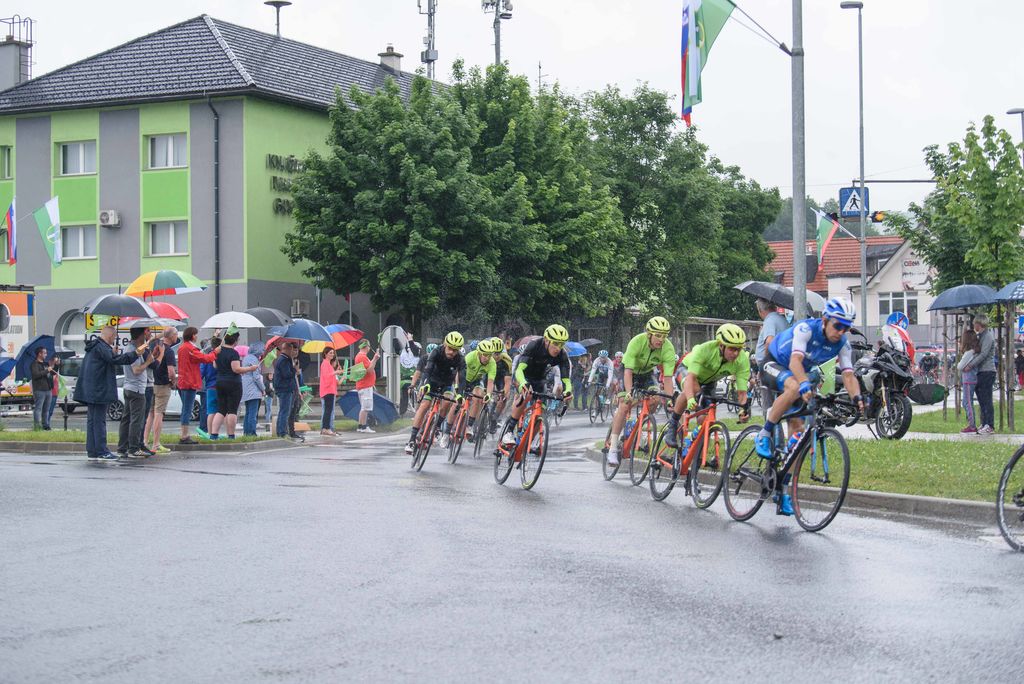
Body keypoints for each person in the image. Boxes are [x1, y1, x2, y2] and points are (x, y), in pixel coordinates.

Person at [757, 297, 865, 515]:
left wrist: (858, 399)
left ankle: (783, 489)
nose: (841, 332)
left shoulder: (842, 343)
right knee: (795, 387)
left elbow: (848, 375)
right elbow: (795, 361)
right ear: (825, 320)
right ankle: (764, 433)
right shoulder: (806, 329)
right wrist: (805, 383)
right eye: (837, 325)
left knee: (798, 435)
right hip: (775, 363)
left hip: (798, 373)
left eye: (846, 328)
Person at [663, 324, 751, 449]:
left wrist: (743, 410)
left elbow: (742, 392)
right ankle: (673, 424)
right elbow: (691, 378)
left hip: (709, 382)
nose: (735, 353)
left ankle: (696, 451)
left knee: (705, 419)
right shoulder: (705, 350)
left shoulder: (742, 361)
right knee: (693, 391)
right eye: (732, 349)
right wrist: (690, 399)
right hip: (687, 371)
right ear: (721, 345)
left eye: (739, 349)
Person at [606, 317, 676, 466]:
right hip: (628, 372)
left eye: (664, 336)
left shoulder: (668, 348)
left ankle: (637, 426)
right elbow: (628, 372)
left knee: (656, 398)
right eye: (658, 335)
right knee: (625, 404)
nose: (661, 339)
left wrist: (670, 400)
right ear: (649, 334)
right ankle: (613, 447)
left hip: (647, 374)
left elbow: (668, 378)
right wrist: (629, 392)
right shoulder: (637, 342)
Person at [73, 323, 141, 460]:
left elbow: (109, 359)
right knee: (99, 421)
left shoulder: (95, 347)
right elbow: (116, 360)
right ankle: (102, 451)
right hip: (99, 389)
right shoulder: (102, 347)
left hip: (91, 389)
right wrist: (135, 354)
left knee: (92, 421)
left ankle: (92, 451)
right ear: (110, 335)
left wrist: (112, 353)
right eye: (114, 336)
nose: (114, 339)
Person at [499, 325, 574, 447]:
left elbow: (565, 379)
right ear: (546, 340)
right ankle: (509, 432)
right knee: (527, 395)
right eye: (555, 343)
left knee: (541, 411)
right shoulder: (534, 345)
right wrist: (523, 383)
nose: (558, 348)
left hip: (540, 380)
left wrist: (568, 391)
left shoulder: (562, 354)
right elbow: (519, 370)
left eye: (561, 344)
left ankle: (526, 445)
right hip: (523, 375)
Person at [405, 332, 467, 454]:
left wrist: (460, 394)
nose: (452, 352)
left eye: (455, 350)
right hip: (431, 381)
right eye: (450, 348)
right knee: (425, 405)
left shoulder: (460, 358)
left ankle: (437, 427)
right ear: (445, 344)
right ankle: (412, 440)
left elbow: (462, 378)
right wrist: (425, 384)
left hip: (446, 384)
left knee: (448, 401)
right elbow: (427, 370)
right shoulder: (436, 352)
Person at [118, 326, 160, 458]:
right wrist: (147, 362)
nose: (149, 334)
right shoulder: (133, 350)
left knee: (127, 419)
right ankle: (133, 448)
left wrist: (153, 356)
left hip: (130, 387)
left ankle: (122, 447)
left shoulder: (135, 348)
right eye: (147, 331)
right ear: (141, 334)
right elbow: (136, 370)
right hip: (136, 389)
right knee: (136, 420)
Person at [209, 332, 259, 439]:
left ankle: (213, 434)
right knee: (232, 410)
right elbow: (236, 369)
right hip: (233, 383)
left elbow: (215, 365)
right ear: (235, 341)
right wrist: (251, 368)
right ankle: (231, 435)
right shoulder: (234, 353)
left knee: (221, 410)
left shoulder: (218, 351)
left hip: (220, 381)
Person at [176, 326, 219, 444]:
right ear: (192, 335)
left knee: (186, 408)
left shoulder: (182, 347)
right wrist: (215, 352)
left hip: (183, 381)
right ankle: (184, 435)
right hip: (189, 382)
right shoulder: (190, 348)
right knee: (187, 409)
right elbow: (206, 358)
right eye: (195, 334)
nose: (196, 336)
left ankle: (184, 434)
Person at [456, 338, 498, 443]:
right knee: (456, 402)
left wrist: (488, 394)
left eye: (490, 355)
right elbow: (458, 372)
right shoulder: (470, 356)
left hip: (476, 382)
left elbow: (490, 381)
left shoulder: (492, 363)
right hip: (463, 379)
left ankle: (469, 425)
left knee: (478, 397)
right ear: (479, 353)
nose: (487, 358)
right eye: (485, 354)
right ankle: (448, 429)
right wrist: (457, 387)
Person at [145, 327, 178, 453]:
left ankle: (144, 441)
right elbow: (171, 371)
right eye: (176, 335)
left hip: (152, 383)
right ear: (172, 336)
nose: (176, 337)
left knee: (150, 414)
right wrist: (173, 381)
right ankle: (156, 444)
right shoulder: (168, 351)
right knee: (159, 414)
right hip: (163, 385)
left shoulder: (154, 347)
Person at [754, 298, 789, 415]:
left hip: (770, 367)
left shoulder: (769, 320)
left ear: (761, 310)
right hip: (782, 365)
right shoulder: (783, 320)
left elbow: (769, 341)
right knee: (780, 404)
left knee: (768, 404)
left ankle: (769, 426)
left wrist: (764, 365)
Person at [962, 314, 996, 434]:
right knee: (982, 400)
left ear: (979, 324)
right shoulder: (981, 336)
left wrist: (970, 365)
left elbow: (983, 354)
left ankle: (990, 425)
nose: (973, 325)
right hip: (980, 372)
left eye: (975, 323)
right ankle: (984, 422)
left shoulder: (988, 336)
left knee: (987, 399)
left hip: (987, 371)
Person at [957, 328, 980, 434]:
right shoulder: (974, 352)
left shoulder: (969, 353)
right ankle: (971, 424)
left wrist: (962, 364)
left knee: (967, 402)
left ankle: (972, 425)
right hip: (971, 379)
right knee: (966, 402)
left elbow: (959, 366)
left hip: (968, 380)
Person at [273, 341, 299, 439]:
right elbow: (287, 374)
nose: (292, 351)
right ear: (286, 349)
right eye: (291, 349)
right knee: (285, 411)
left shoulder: (283, 359)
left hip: (283, 388)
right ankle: (282, 432)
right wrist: (294, 369)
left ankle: (280, 432)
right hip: (285, 388)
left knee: (283, 411)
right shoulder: (284, 360)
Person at [353, 338, 379, 433]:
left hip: (363, 385)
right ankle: (364, 427)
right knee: (366, 408)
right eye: (368, 346)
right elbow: (370, 370)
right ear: (366, 346)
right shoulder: (362, 357)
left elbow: (368, 367)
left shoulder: (360, 356)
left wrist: (374, 359)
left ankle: (361, 426)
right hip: (365, 385)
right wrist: (375, 359)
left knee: (363, 407)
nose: (369, 348)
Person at [240, 343, 265, 437]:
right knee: (253, 413)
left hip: (246, 388)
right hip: (254, 389)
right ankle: (252, 433)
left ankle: (246, 432)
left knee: (248, 412)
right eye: (262, 350)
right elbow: (256, 377)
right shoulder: (254, 360)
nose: (263, 352)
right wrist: (263, 389)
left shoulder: (246, 358)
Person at [30, 347, 57, 430]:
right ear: (39, 354)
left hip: (48, 389)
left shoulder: (45, 364)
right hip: (39, 389)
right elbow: (36, 375)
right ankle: (37, 426)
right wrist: (47, 371)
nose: (46, 354)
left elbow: (52, 373)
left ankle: (46, 425)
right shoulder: (34, 364)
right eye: (44, 353)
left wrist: (55, 364)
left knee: (46, 409)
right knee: (38, 408)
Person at [319, 348, 341, 436]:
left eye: (333, 353)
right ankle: (326, 428)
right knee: (328, 410)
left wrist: (336, 372)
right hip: (327, 390)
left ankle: (326, 428)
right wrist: (335, 372)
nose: (332, 354)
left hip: (330, 390)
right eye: (330, 353)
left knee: (328, 410)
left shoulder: (328, 364)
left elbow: (332, 377)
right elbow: (326, 376)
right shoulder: (325, 364)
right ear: (325, 354)